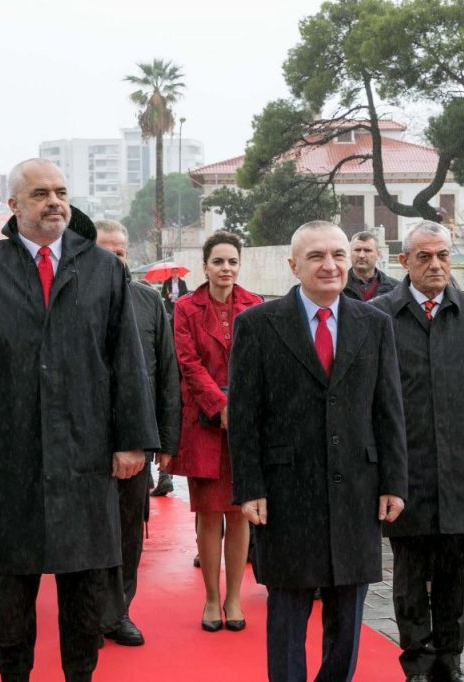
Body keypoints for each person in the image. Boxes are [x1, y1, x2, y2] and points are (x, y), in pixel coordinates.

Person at [0, 158, 160, 682]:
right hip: (9, 460)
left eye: (60, 190)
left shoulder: (103, 268)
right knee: (9, 598)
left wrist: (133, 441)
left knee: (85, 596)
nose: (55, 201)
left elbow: (126, 361)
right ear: (14, 206)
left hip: (85, 457)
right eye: (40, 194)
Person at [229, 220, 408, 682]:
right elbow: (245, 415)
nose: (330, 265)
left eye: (338, 255)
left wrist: (394, 482)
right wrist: (249, 487)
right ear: (294, 265)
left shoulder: (375, 324)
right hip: (287, 492)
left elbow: (388, 410)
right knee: (288, 611)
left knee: (347, 616)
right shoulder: (258, 325)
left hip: (357, 491)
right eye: (316, 257)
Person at [370, 221, 464, 682]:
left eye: (443, 256)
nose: (435, 265)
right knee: (409, 571)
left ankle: (449, 660)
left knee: (455, 567)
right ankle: (416, 659)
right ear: (404, 262)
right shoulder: (379, 315)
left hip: (459, 462)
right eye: (425, 257)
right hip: (405, 463)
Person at [165, 230, 262, 633]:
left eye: (232, 261)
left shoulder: (254, 306)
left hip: (245, 422)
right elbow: (187, 363)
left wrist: (238, 406)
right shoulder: (186, 308)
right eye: (218, 261)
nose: (226, 268)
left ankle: (235, 597)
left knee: (241, 513)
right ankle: (209, 598)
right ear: (205, 265)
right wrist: (219, 405)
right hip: (204, 423)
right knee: (209, 515)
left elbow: (259, 362)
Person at [93, 219, 180, 646]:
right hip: (83, 442)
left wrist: (165, 440)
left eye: (121, 252)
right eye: (105, 251)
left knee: (129, 528)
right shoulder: (69, 300)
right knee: (90, 532)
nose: (114, 259)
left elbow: (167, 372)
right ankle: (89, 612)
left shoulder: (148, 303)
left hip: (135, 438)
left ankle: (118, 611)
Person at [343, 230, 399, 301]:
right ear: (350, 253)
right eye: (357, 250)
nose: (361, 255)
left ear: (378, 254)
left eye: (367, 250)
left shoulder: (396, 289)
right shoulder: (337, 286)